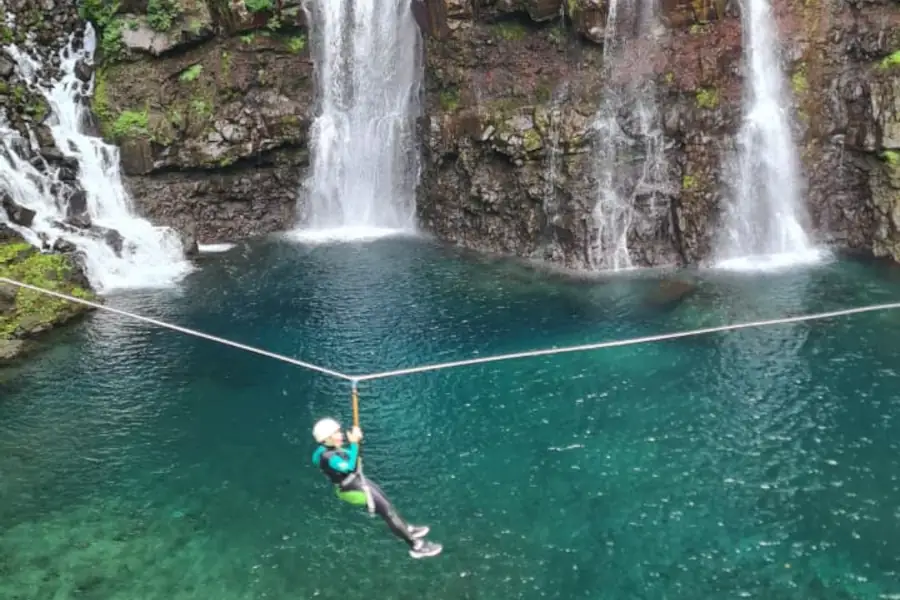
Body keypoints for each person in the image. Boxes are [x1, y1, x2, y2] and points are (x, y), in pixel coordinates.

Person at [311, 417, 443, 559]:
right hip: (351, 488)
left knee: (386, 502)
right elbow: (350, 467)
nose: (341, 435)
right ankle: (416, 546)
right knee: (387, 512)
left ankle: (406, 528)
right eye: (336, 433)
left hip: (355, 481)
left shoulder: (326, 450)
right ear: (326, 438)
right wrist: (354, 444)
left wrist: (356, 444)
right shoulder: (328, 456)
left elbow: (349, 457)